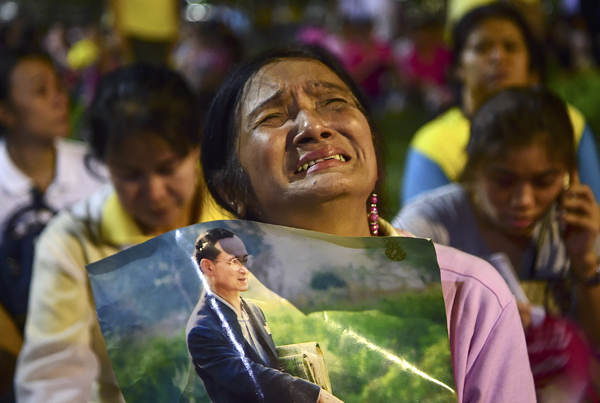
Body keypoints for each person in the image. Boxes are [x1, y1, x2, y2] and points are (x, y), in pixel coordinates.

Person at [199, 44, 535, 402]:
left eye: (332, 102)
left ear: (371, 143)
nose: (312, 126)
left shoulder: (467, 294)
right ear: (232, 187)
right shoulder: (210, 317)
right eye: (271, 117)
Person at [15, 64, 233, 403]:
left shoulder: (238, 210)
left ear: (196, 147)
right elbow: (53, 382)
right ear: (105, 164)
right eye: (130, 175)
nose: (155, 192)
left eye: (167, 168)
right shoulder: (71, 243)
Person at [394, 87, 600, 401]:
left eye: (544, 181)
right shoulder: (427, 226)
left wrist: (585, 262)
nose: (524, 201)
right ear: (474, 168)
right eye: (503, 181)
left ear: (570, 175)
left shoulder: (578, 225)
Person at [400, 3, 600, 205]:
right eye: (482, 48)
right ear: (458, 67)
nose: (498, 57)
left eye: (510, 47)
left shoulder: (567, 122)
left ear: (530, 63)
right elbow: (417, 231)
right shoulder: (435, 144)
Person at [0, 47, 107, 402]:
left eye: (59, 87)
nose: (60, 99)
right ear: (6, 111)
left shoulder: (98, 172)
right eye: (40, 91)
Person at [187, 228, 340, 403]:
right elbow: (250, 377)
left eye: (245, 260)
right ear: (208, 267)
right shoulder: (202, 329)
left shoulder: (254, 311)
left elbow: (272, 366)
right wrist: (315, 394)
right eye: (234, 261)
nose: (244, 269)